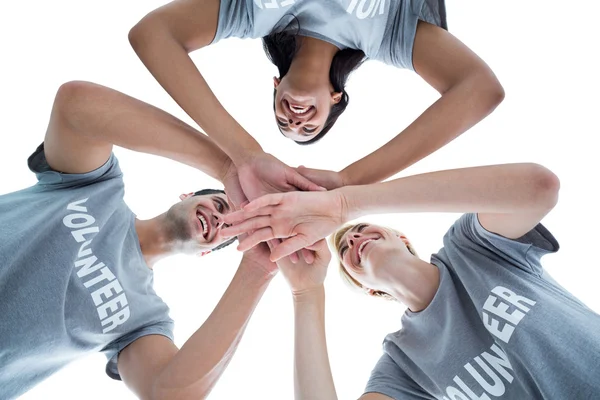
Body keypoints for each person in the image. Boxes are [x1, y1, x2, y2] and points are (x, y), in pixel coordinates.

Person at [223, 163, 600, 399]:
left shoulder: (474, 248)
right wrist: (307, 294)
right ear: (368, 288)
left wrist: (344, 204)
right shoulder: (404, 366)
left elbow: (539, 187)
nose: (352, 239)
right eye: (346, 252)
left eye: (359, 230)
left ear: (402, 238)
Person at [0, 81, 279, 400]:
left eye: (231, 229)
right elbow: (77, 105)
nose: (221, 219)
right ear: (187, 196)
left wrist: (260, 266)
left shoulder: (144, 319)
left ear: (207, 253)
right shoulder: (96, 185)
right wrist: (228, 166)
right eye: (221, 204)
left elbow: (171, 394)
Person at [128, 0, 504, 205]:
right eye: (309, 127)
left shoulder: (249, 14)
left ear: (276, 87)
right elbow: (480, 88)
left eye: (283, 122)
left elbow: (152, 33)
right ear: (335, 98)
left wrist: (244, 155)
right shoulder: (387, 38)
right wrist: (349, 181)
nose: (294, 122)